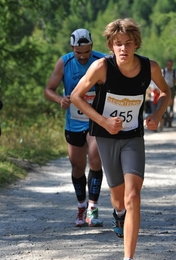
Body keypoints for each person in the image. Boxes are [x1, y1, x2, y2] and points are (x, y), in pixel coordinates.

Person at [70, 18, 170, 260]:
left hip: (133, 137)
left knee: (133, 194)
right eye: (118, 44)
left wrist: (156, 114)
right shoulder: (102, 67)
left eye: (128, 43)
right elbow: (76, 96)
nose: (123, 48)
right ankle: (118, 215)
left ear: (136, 44)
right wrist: (103, 121)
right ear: (111, 46)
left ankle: (128, 259)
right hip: (106, 137)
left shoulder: (150, 67)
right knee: (118, 197)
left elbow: (166, 92)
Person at [44, 29, 105, 227]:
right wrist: (60, 99)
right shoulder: (64, 62)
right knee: (77, 166)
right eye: (78, 52)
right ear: (72, 48)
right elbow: (48, 89)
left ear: (91, 48)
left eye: (86, 52)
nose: (82, 56)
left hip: (95, 120)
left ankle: (93, 209)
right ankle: (81, 205)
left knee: (95, 159)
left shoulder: (101, 60)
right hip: (74, 121)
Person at [161, 59, 176, 127]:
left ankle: (170, 121)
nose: (169, 66)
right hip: (164, 90)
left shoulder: (174, 72)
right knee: (164, 105)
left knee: (171, 106)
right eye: (168, 64)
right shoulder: (163, 71)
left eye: (170, 64)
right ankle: (165, 119)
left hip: (171, 90)